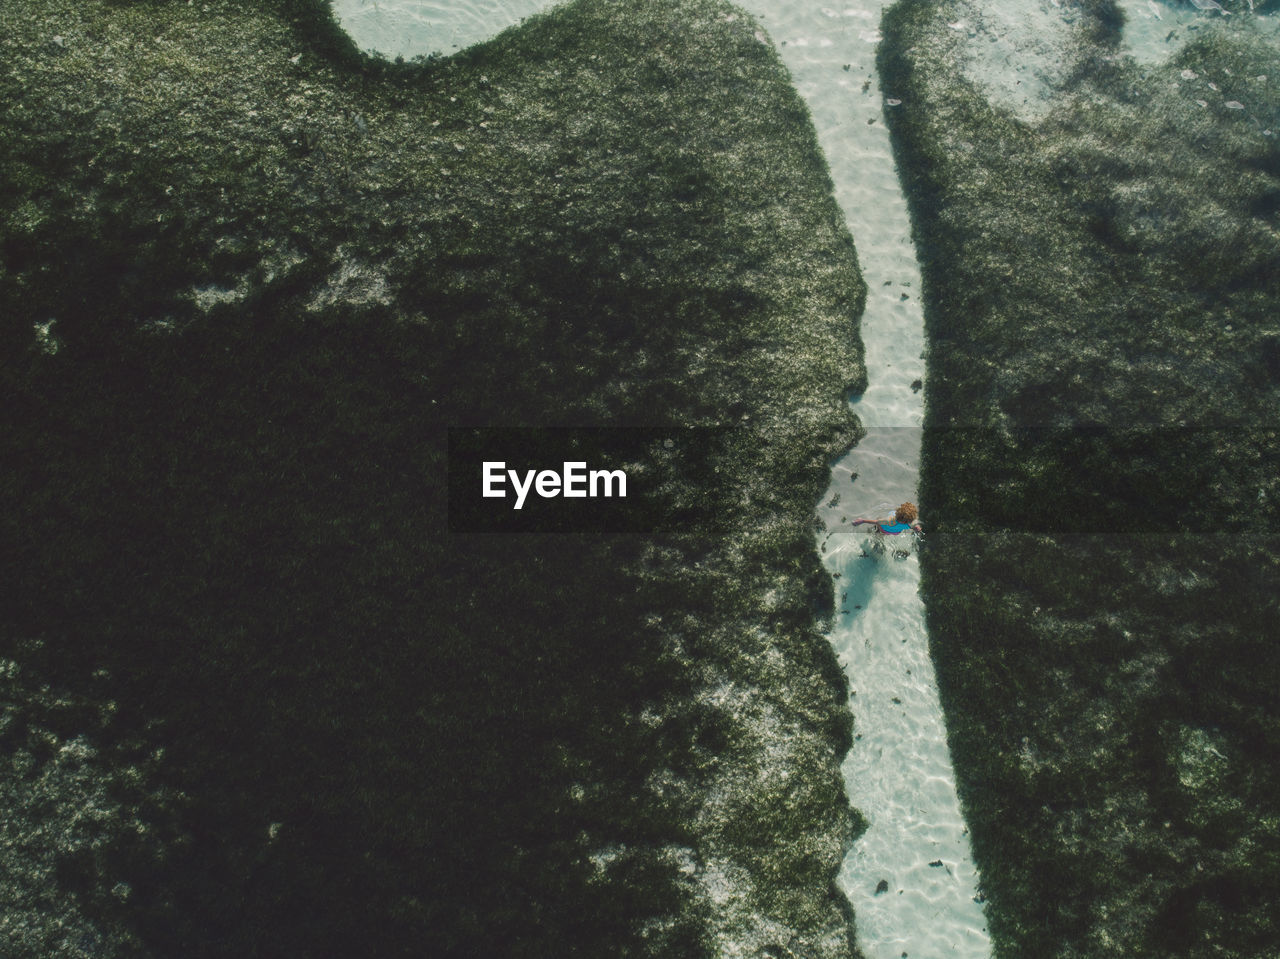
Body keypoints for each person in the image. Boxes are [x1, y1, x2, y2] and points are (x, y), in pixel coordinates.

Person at [852, 502, 921, 536]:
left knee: (878, 519)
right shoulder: (909, 524)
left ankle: (878, 536)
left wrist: (863, 520)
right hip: (895, 532)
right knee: (887, 532)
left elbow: (876, 522)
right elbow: (916, 527)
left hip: (884, 530)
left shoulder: (890, 520)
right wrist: (917, 528)